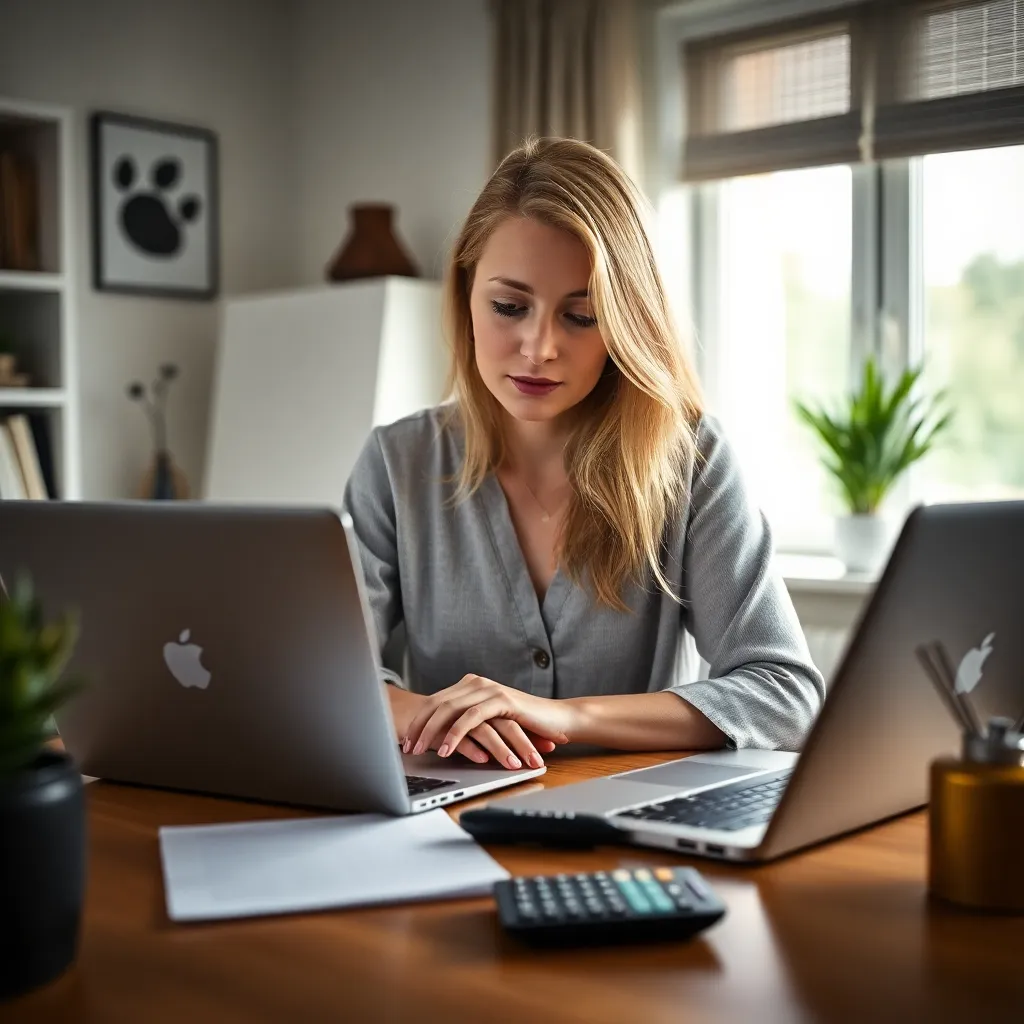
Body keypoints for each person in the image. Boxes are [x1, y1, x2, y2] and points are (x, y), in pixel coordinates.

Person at [343, 136, 825, 772]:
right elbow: (319, 679)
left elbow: (784, 695)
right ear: (465, 294)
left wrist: (568, 717)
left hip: (634, 833)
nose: (539, 347)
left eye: (582, 316)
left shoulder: (692, 462)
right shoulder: (396, 463)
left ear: (627, 322)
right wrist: (435, 717)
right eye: (509, 307)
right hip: (446, 827)